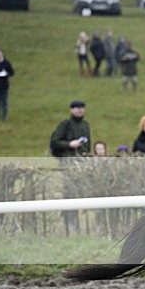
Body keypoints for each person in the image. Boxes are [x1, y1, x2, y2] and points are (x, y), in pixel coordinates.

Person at [50, 100, 92, 233]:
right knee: (69, 192)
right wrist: (69, 144)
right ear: (71, 110)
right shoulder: (65, 124)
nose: (79, 110)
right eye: (77, 108)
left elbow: (88, 144)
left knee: (81, 192)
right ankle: (69, 222)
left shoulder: (85, 125)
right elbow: (55, 142)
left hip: (82, 163)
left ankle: (78, 222)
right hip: (68, 163)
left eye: (81, 108)